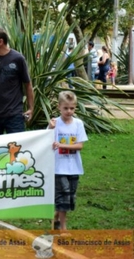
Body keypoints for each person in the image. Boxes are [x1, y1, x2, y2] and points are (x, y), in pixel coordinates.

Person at [47, 90, 88, 231]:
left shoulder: (78, 124)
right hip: (59, 167)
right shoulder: (55, 123)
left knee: (70, 197)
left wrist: (61, 145)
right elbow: (46, 141)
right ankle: (63, 228)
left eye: (72, 108)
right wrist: (50, 128)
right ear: (59, 107)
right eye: (65, 108)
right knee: (63, 195)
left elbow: (79, 146)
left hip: (74, 167)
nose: (69, 111)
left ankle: (55, 217)